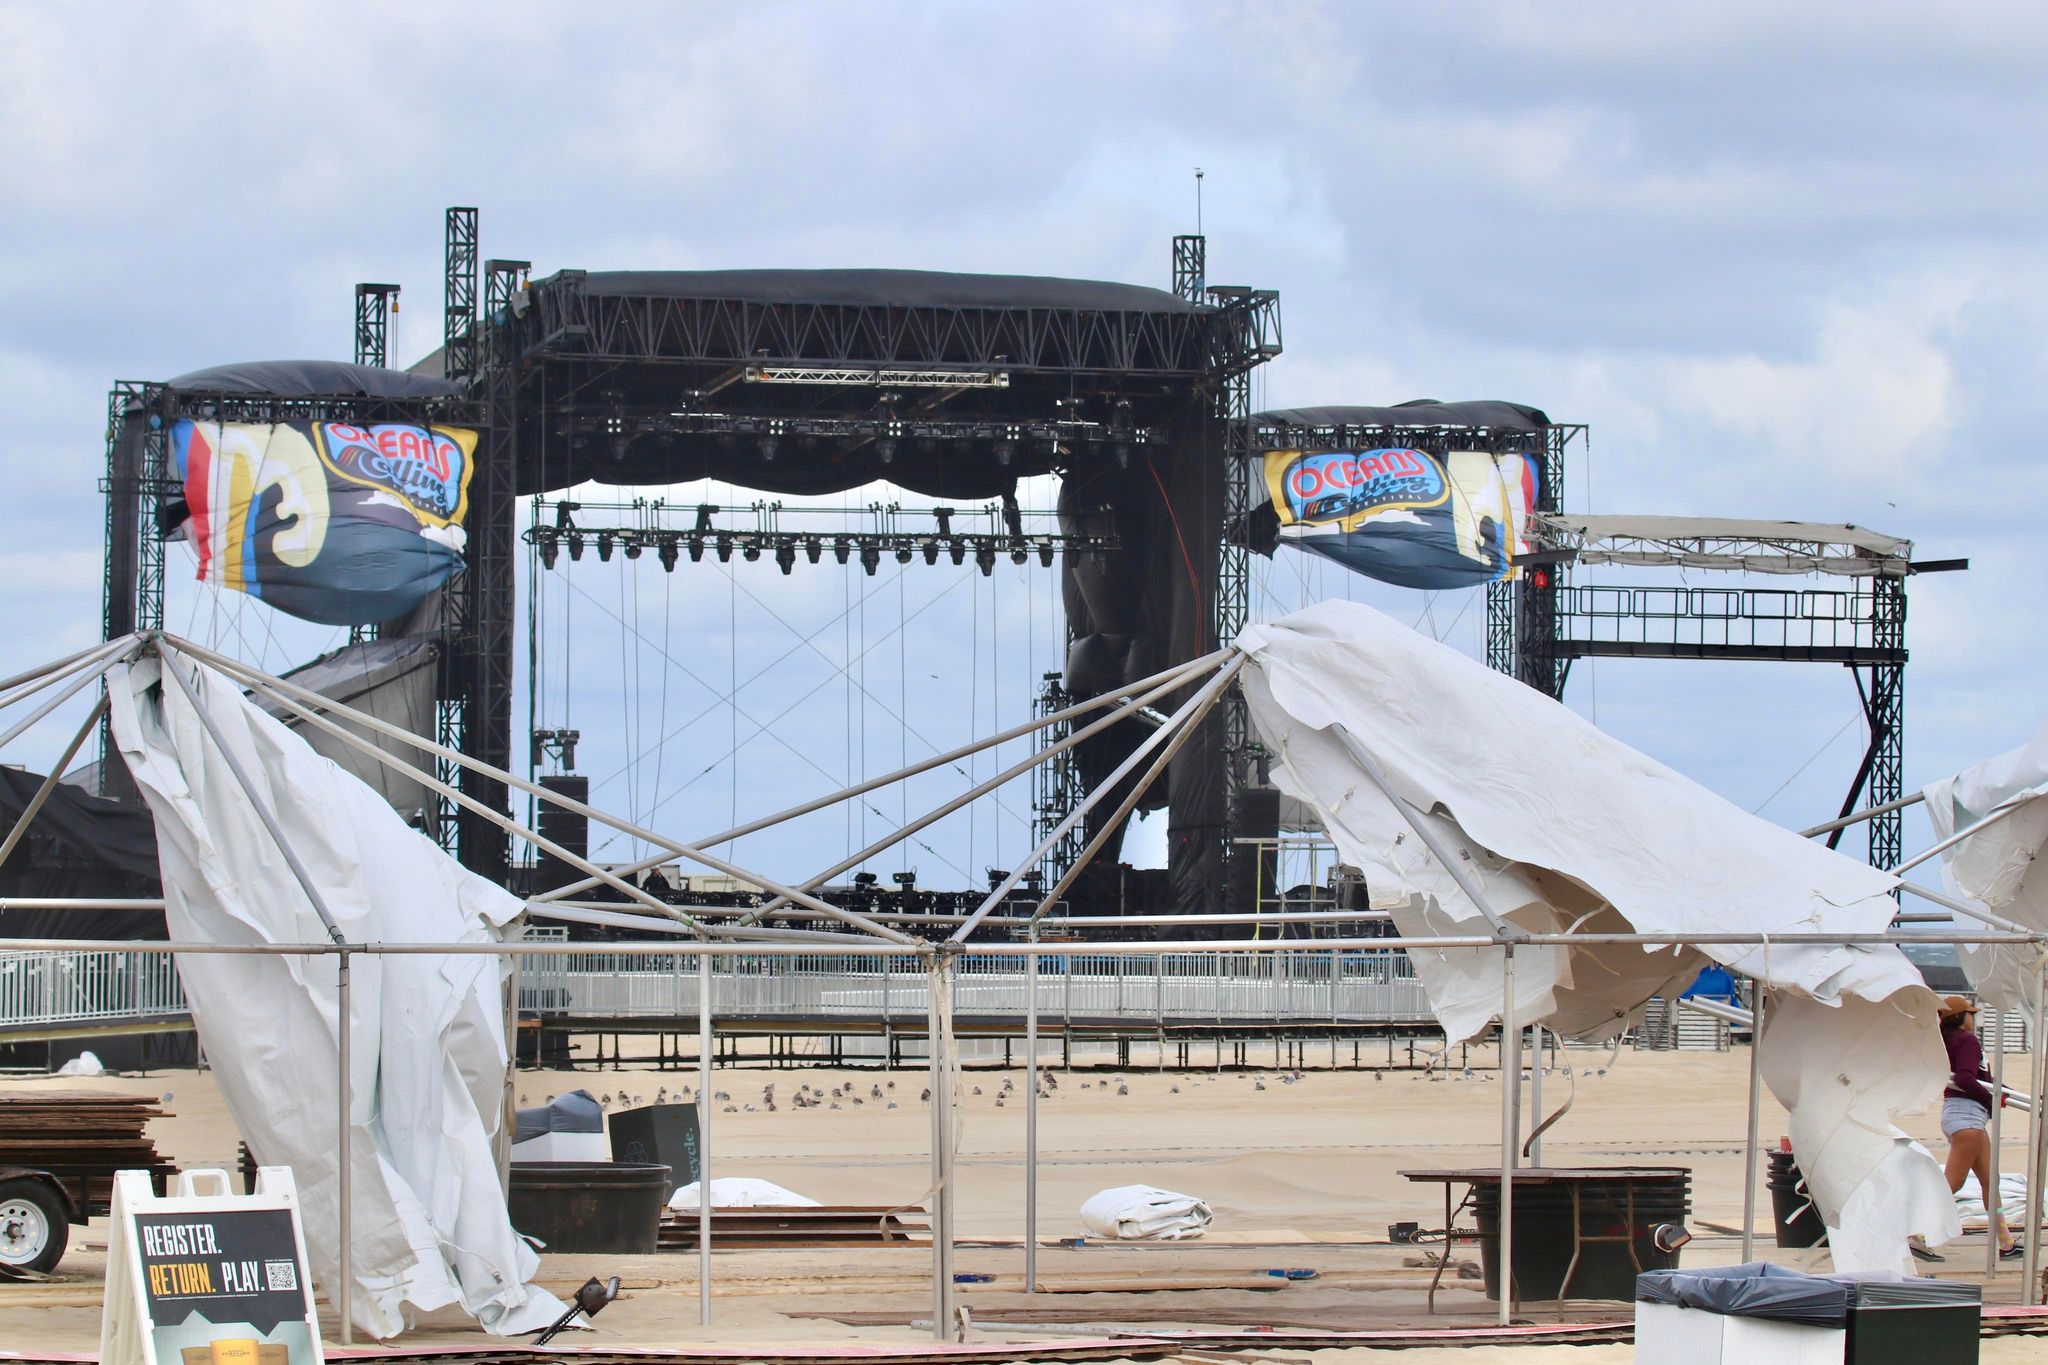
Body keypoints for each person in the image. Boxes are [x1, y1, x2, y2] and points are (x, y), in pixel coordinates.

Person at [1941, 995, 2020, 1258]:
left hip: (1964, 1115)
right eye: (1970, 1014)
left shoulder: (1950, 1042)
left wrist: (2007, 1093)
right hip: (1967, 1117)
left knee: (1990, 1180)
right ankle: (1914, 1232)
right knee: (1952, 1183)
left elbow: (1983, 1078)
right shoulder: (1967, 1041)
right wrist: (1991, 1099)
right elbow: (1966, 1078)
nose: (1973, 1019)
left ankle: (2005, 1241)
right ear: (1959, 1018)